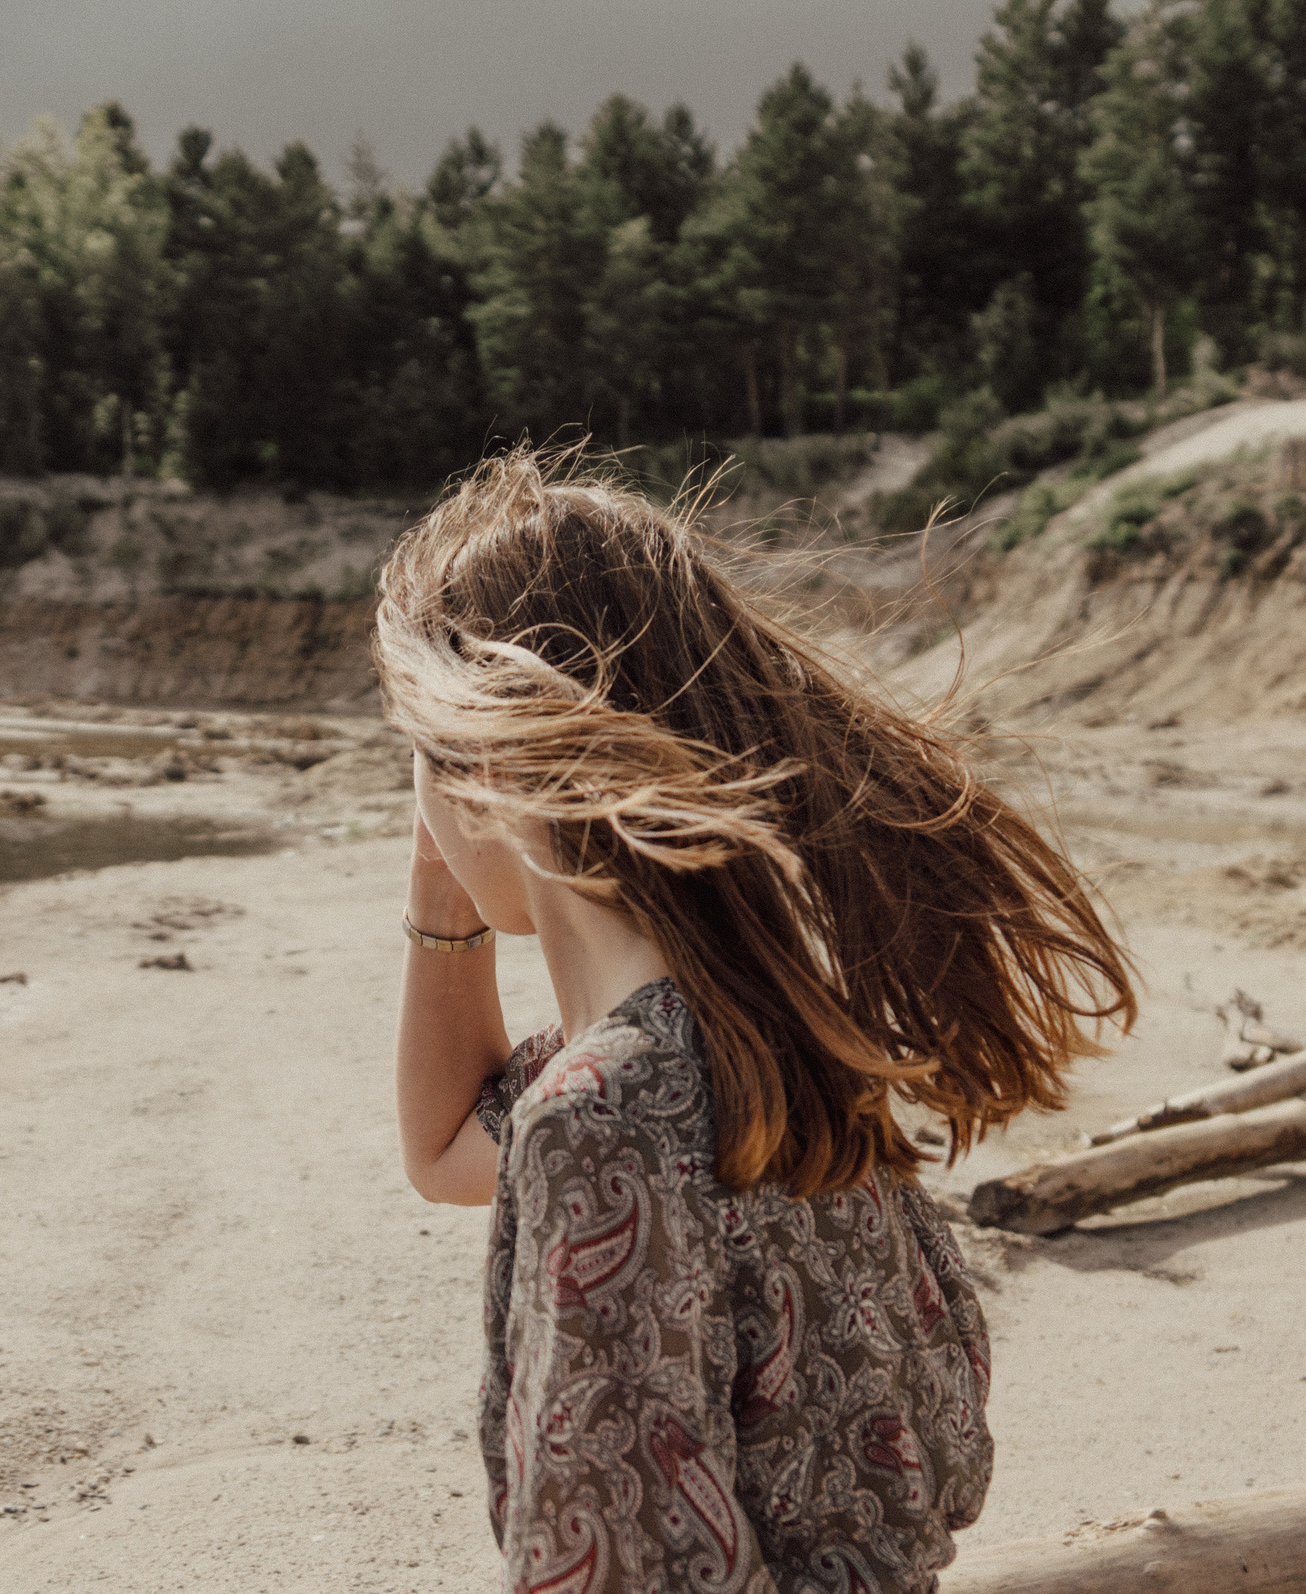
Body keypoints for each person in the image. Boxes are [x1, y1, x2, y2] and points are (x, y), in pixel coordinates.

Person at [377, 448, 1136, 1593]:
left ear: (486, 758)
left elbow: (609, 1568)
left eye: (423, 755)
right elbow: (442, 1148)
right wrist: (450, 885)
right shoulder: (780, 1031)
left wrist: (465, 831)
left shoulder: (604, 1114)